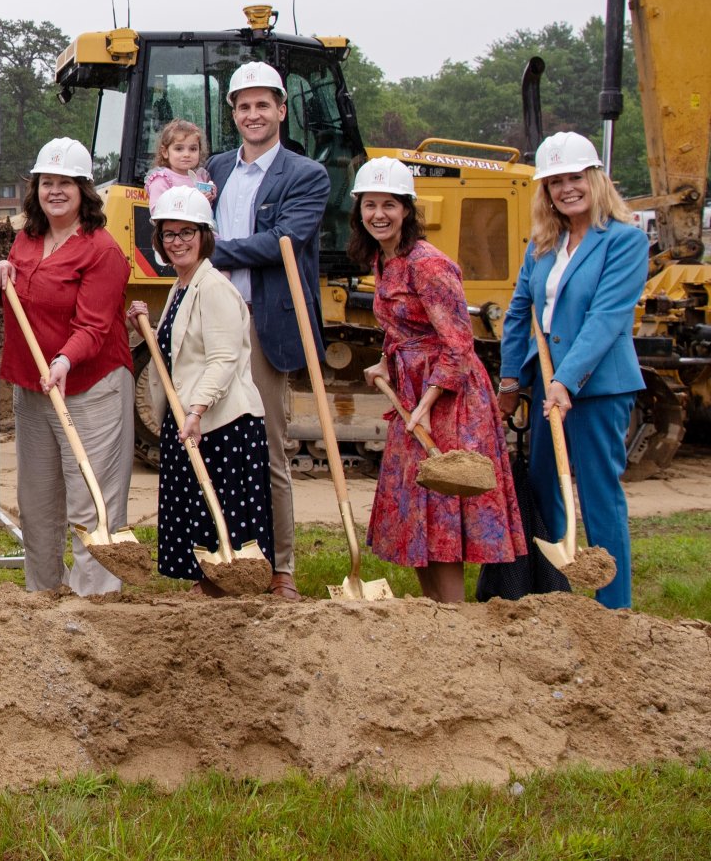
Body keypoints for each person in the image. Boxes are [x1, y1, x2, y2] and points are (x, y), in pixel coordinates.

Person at [346, 158, 527, 602]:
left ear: (407, 209)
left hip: (450, 398)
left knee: (443, 501)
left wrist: (428, 401)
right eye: (370, 205)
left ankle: (455, 616)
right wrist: (385, 362)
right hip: (412, 393)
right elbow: (401, 326)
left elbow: (459, 343)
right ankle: (434, 615)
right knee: (417, 506)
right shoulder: (383, 258)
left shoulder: (428, 264)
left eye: (389, 205)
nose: (379, 214)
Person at [498, 132, 644, 610]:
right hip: (547, 386)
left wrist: (566, 381)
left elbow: (606, 318)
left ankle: (613, 607)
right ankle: (553, 600)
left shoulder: (624, 241)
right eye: (555, 182)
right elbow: (518, 312)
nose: (566, 189)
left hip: (599, 387)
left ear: (596, 179)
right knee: (545, 491)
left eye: (575, 177)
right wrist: (511, 380)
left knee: (599, 494)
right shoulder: (544, 245)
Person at [206, 60, 331, 601]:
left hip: (261, 323)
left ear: (281, 110)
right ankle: (221, 564)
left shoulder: (306, 175)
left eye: (263, 105)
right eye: (243, 106)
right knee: (210, 444)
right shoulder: (216, 168)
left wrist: (205, 250)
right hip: (213, 323)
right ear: (233, 114)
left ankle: (280, 569)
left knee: (267, 449)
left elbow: (282, 242)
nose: (253, 114)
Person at [0, 138, 134, 595]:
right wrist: (1, 276)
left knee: (91, 501)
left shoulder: (101, 250)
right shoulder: (28, 239)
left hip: (90, 387)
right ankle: (44, 597)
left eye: (65, 183)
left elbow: (93, 325)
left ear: (83, 190)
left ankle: (95, 602)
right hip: (34, 387)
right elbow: (18, 298)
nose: (55, 191)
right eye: (46, 182)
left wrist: (65, 360)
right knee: (37, 504)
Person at [126, 187, 273, 592]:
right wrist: (147, 327)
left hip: (222, 423)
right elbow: (181, 351)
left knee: (221, 511)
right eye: (169, 234)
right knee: (197, 510)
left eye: (187, 232)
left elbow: (222, 359)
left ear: (204, 235)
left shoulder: (214, 287)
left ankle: (223, 587)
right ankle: (207, 585)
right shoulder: (182, 285)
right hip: (192, 419)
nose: (178, 242)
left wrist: (196, 411)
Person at [145, 119, 217, 206]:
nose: (187, 154)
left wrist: (210, 194)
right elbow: (157, 209)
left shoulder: (201, 176)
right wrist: (195, 201)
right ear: (165, 152)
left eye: (193, 149)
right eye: (179, 149)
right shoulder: (162, 180)